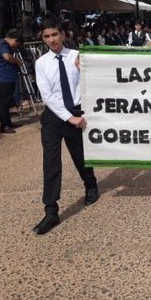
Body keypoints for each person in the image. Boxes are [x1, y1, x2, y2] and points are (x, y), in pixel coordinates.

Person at [33, 19, 99, 235]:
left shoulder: (76, 56)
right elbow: (47, 96)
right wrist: (68, 117)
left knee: (81, 156)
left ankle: (90, 184)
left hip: (78, 112)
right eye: (46, 36)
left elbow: (92, 82)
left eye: (54, 35)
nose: (51, 40)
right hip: (54, 117)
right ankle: (51, 210)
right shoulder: (41, 63)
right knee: (50, 163)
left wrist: (83, 70)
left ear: (62, 35)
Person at [0, 29, 23, 134]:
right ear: (14, 39)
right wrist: (17, 61)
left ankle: (8, 123)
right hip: (3, 77)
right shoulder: (3, 44)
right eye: (16, 43)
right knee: (4, 102)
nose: (15, 46)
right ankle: (4, 125)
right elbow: (6, 57)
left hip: (5, 76)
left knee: (6, 101)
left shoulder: (0, 43)